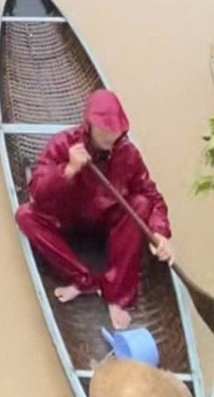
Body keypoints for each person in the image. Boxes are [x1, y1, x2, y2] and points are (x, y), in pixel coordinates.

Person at [15, 89, 174, 331]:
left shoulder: (127, 153)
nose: (112, 137)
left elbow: (152, 196)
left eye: (117, 133)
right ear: (89, 125)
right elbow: (37, 192)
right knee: (25, 216)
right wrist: (68, 170)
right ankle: (83, 279)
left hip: (105, 221)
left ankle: (118, 295)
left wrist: (160, 232)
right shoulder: (63, 144)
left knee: (140, 204)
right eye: (106, 131)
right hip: (67, 219)